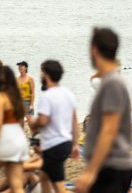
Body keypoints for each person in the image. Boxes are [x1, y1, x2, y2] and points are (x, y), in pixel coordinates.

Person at [76, 28, 132, 193]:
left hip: (111, 168)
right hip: (109, 167)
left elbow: (109, 129)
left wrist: (90, 172)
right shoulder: (111, 81)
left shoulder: (112, 83)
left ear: (94, 49)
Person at [29, 60, 79, 193]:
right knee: (45, 177)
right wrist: (74, 144)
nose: (40, 75)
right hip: (65, 143)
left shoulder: (47, 96)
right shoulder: (69, 94)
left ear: (46, 75)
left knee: (59, 186)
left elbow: (43, 121)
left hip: (53, 146)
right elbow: (74, 122)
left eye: (41, 72)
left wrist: (33, 123)